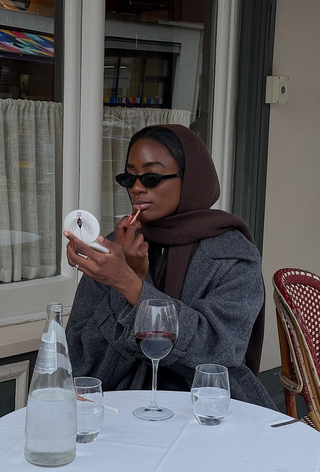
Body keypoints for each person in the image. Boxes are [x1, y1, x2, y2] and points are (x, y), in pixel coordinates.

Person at [64, 124, 276, 409]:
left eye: (151, 177)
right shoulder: (114, 248)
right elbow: (80, 358)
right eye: (130, 177)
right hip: (122, 407)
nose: (137, 188)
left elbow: (220, 351)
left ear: (191, 179)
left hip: (212, 410)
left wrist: (131, 284)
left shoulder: (232, 253)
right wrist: (126, 279)